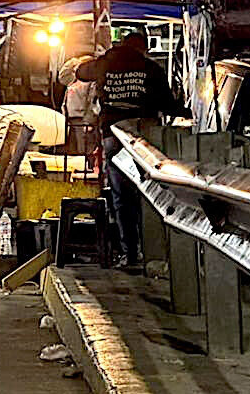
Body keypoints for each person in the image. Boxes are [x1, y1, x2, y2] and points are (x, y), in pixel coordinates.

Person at [77, 32, 188, 266]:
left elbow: (80, 72)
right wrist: (185, 110)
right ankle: (154, 252)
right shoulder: (151, 68)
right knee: (150, 192)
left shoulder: (105, 64)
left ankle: (130, 253)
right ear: (143, 49)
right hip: (145, 139)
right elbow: (168, 104)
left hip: (113, 135)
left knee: (121, 195)